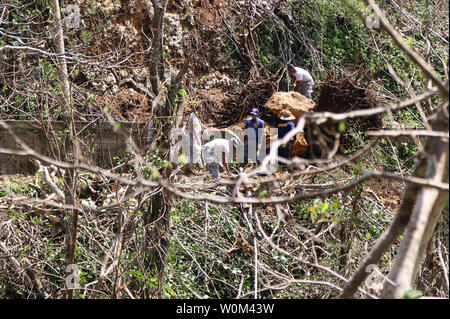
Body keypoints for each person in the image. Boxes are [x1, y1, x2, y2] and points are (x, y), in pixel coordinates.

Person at [186, 104, 203, 170]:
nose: (201, 112)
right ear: (198, 110)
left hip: (193, 136)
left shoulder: (193, 115)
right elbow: (195, 128)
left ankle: (194, 168)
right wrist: (198, 139)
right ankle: (196, 168)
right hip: (194, 137)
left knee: (193, 152)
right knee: (196, 151)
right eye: (200, 111)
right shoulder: (194, 117)